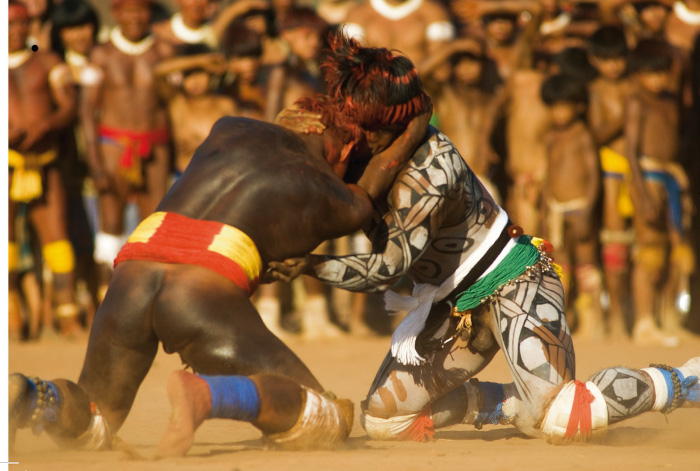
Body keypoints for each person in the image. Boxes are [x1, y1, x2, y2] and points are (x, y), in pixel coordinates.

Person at [269, 34, 700, 444]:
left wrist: (309, 264)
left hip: (514, 281)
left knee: (564, 418)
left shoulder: (431, 172)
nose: (360, 135)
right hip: (454, 303)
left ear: (393, 125)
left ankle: (686, 380)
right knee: (386, 420)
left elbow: (387, 267)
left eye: (370, 128)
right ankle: (514, 403)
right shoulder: (365, 138)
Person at [9, 38, 433, 454]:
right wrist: (416, 123)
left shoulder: (229, 127)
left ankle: (30, 395)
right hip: (199, 288)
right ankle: (207, 397)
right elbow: (373, 185)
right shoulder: (330, 193)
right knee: (324, 415)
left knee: (95, 420)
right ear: (345, 149)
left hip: (134, 267)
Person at [80, 0, 175, 301]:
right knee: (110, 223)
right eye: (128, 10)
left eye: (142, 10)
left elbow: (173, 105)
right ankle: (108, 299)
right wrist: (94, 163)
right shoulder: (101, 54)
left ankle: (150, 298)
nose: (135, 17)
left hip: (155, 147)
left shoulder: (164, 52)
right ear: (116, 13)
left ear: (150, 13)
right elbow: (86, 112)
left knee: (154, 223)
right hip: (113, 146)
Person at [8, 0, 83, 339]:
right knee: (4, 239)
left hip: (45, 160)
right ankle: (11, 310)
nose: (15, 31)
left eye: (20, 24)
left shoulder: (48, 61)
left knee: (56, 236)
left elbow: (69, 104)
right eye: (8, 25)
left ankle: (67, 312)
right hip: (6, 164)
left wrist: (48, 124)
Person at [625, 39, 694, 346]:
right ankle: (644, 322)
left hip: (670, 177)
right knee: (648, 250)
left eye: (662, 74)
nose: (657, 80)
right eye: (650, 74)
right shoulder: (637, 101)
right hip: (648, 177)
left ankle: (668, 318)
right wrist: (641, 195)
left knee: (673, 249)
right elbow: (630, 152)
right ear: (639, 74)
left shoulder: (670, 100)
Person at [540, 74, 604, 340]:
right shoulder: (551, 137)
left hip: (579, 208)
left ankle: (594, 321)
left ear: (578, 107)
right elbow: (548, 174)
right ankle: (562, 319)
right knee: (561, 264)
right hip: (556, 210)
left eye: (565, 106)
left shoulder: (582, 135)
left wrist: (588, 212)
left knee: (586, 262)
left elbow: (593, 175)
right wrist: (545, 210)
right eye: (555, 106)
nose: (560, 113)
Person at [587, 25, 635, 339]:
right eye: (606, 60)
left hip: (639, 169)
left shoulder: (636, 85)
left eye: (618, 58)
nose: (613, 66)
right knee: (614, 240)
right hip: (611, 171)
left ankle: (642, 316)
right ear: (594, 60)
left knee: (645, 245)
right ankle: (614, 318)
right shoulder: (596, 90)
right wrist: (625, 119)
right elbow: (595, 135)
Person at [154, 44, 236, 176]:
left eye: (200, 73)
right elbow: (157, 72)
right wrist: (199, 61)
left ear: (211, 74)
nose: (195, 80)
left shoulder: (225, 105)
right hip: (183, 179)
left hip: (219, 178)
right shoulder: (178, 104)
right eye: (189, 75)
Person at [343, 0, 455, 68]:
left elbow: (441, 69)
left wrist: (407, 82)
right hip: (373, 97)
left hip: (420, 94)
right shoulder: (358, 14)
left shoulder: (434, 13)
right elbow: (351, 62)